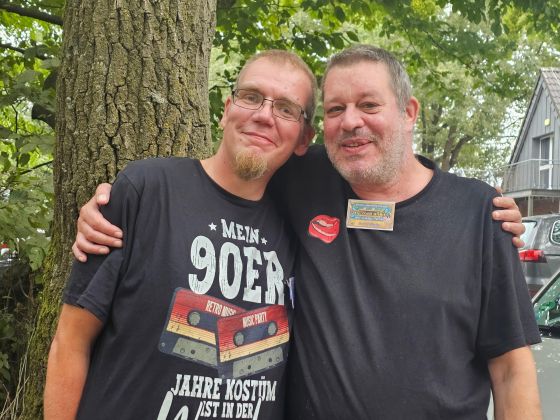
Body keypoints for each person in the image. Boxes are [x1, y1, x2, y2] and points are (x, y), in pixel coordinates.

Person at [70, 46, 537, 419]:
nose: (351, 122)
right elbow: (230, 169)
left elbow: (511, 371)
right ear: (315, 132)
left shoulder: (479, 214)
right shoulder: (303, 178)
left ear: (409, 112)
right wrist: (116, 202)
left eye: (369, 105)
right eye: (335, 109)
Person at [44, 50, 316, 420]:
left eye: (285, 108)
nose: (264, 116)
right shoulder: (146, 189)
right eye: (251, 97)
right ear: (226, 110)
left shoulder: (301, 228)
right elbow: (71, 342)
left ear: (304, 138)